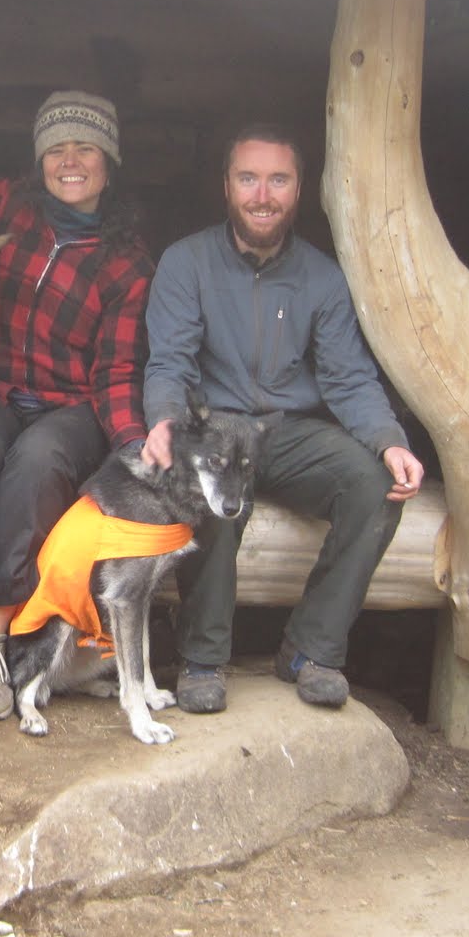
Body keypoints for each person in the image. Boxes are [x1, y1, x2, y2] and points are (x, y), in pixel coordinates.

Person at [142, 124, 425, 712]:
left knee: (375, 484)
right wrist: (165, 422)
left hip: (287, 434)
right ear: (226, 186)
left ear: (300, 190)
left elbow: (348, 376)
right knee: (212, 493)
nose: (262, 195)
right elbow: (169, 361)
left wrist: (387, 440)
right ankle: (202, 658)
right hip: (216, 427)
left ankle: (310, 648)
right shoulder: (185, 261)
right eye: (248, 178)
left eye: (278, 179)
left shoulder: (322, 276)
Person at [0, 91, 153, 720]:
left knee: (36, 466)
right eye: (55, 149)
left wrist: (131, 444)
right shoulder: (8, 206)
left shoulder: (127, 262)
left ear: (109, 160)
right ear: (39, 159)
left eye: (85, 149)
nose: (69, 161)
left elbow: (117, 368)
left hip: (70, 405)